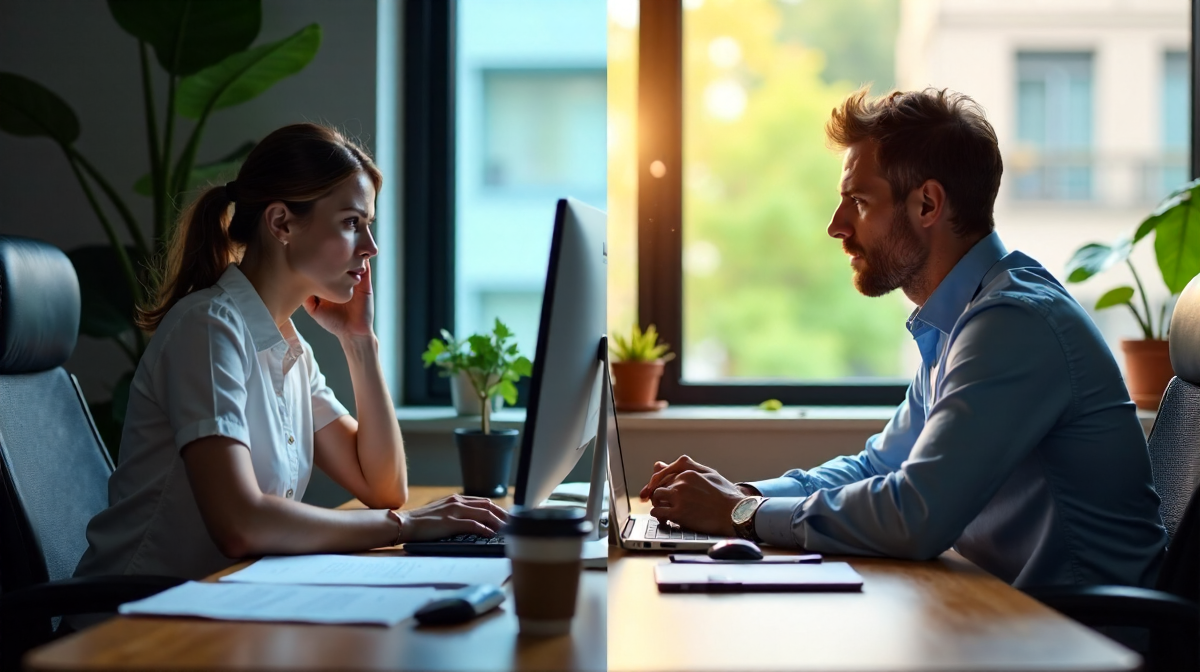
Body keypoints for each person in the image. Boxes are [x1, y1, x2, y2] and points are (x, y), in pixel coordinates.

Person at [641, 88, 1167, 588]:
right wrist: (744, 494)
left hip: (1085, 637)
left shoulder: (1013, 324)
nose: (836, 225)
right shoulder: (960, 320)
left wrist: (742, 515)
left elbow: (918, 515)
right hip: (1010, 615)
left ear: (927, 205)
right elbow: (880, 466)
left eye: (860, 202)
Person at [75, 124, 506, 584]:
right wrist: (408, 526)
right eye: (351, 223)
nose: (371, 248)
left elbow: (383, 487)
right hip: (131, 624)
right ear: (281, 222)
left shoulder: (286, 346)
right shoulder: (207, 328)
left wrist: (360, 342)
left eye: (368, 225)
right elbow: (240, 524)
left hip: (225, 604)